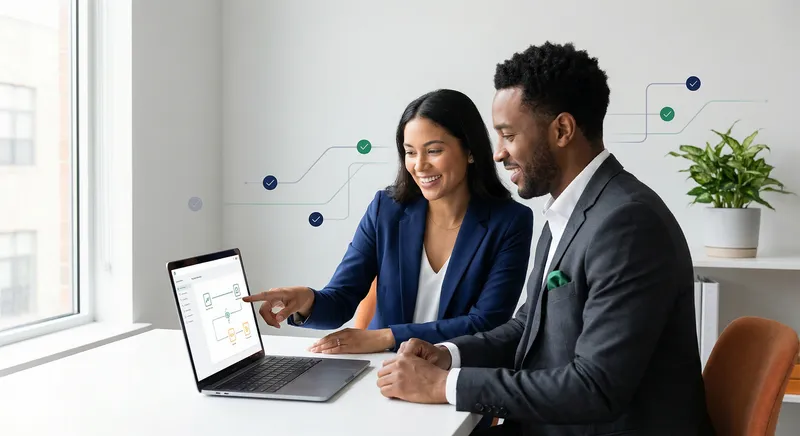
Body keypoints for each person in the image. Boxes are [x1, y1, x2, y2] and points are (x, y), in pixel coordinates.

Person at [376, 42, 714, 435]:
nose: (498, 154)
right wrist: (447, 356)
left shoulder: (628, 224)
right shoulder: (570, 211)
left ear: (562, 130)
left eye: (508, 136)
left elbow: (595, 388)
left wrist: (445, 387)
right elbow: (529, 326)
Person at [243, 89, 534, 355]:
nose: (419, 165)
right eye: (410, 152)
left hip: (454, 382)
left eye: (434, 151)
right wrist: (306, 300)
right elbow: (342, 296)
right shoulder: (386, 210)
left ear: (470, 151)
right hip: (380, 375)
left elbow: (485, 324)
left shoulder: (510, 222)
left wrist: (386, 337)